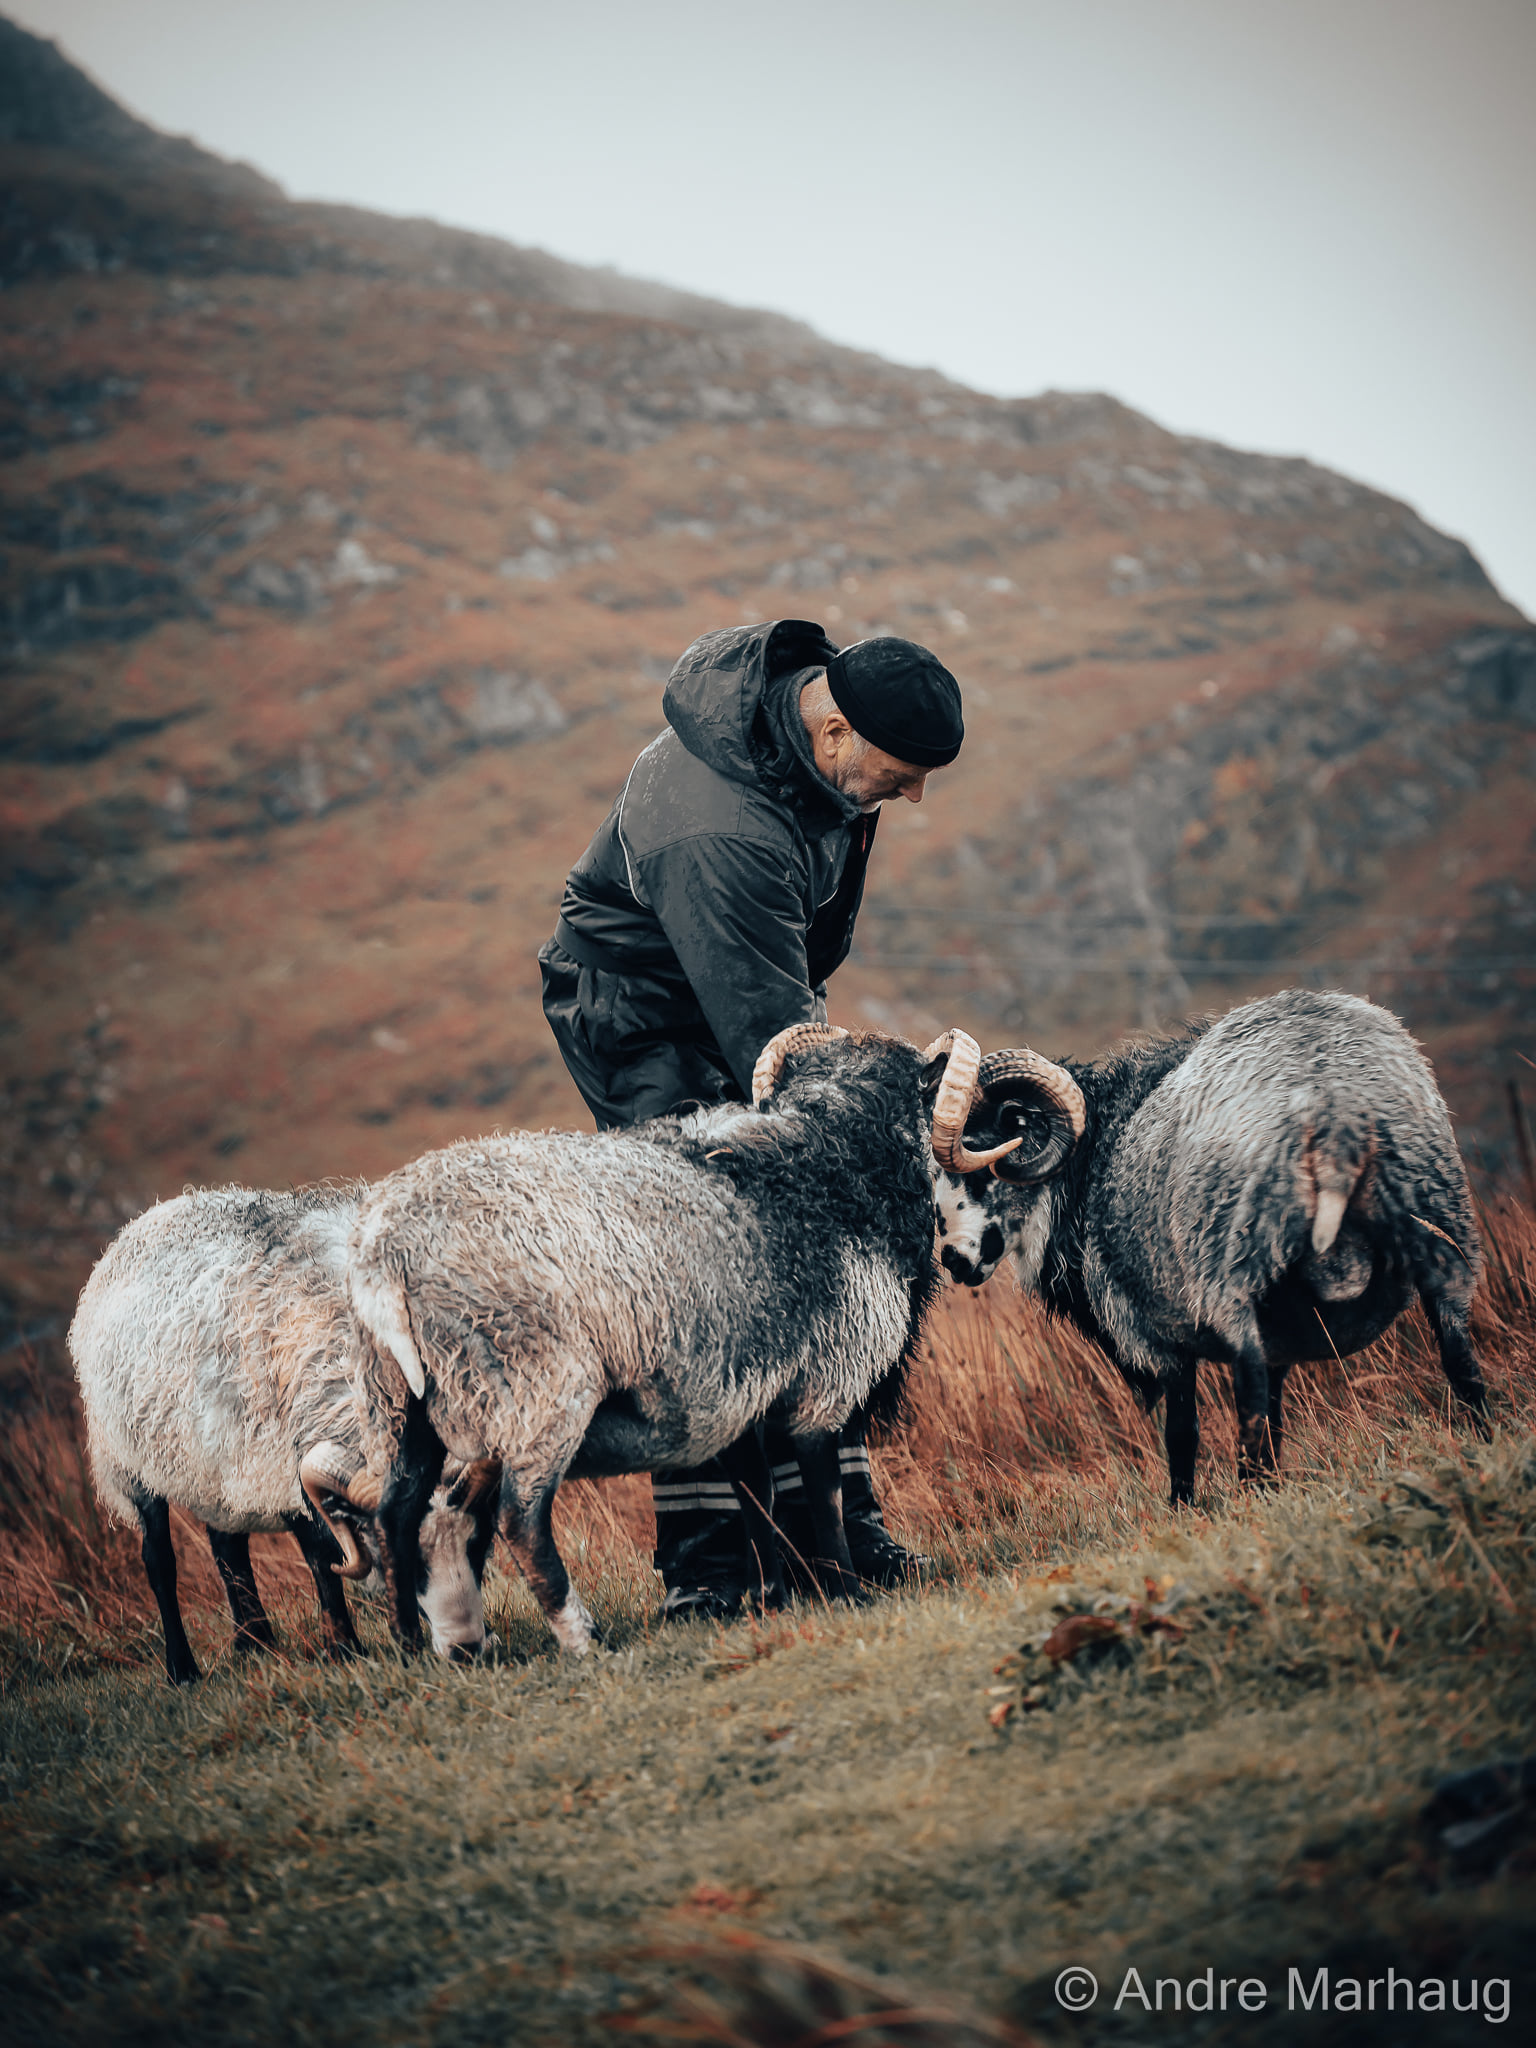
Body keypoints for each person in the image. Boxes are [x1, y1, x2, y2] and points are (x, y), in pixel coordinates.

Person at [539, 616, 963, 1618]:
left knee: (804, 1250)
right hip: (645, 1021)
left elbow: (795, 965)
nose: (914, 796)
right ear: (832, 734)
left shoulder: (821, 750)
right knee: (710, 1266)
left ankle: (832, 1526)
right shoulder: (716, 826)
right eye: (902, 773)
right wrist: (859, 1126)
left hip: (743, 996)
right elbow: (763, 1024)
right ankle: (712, 1564)